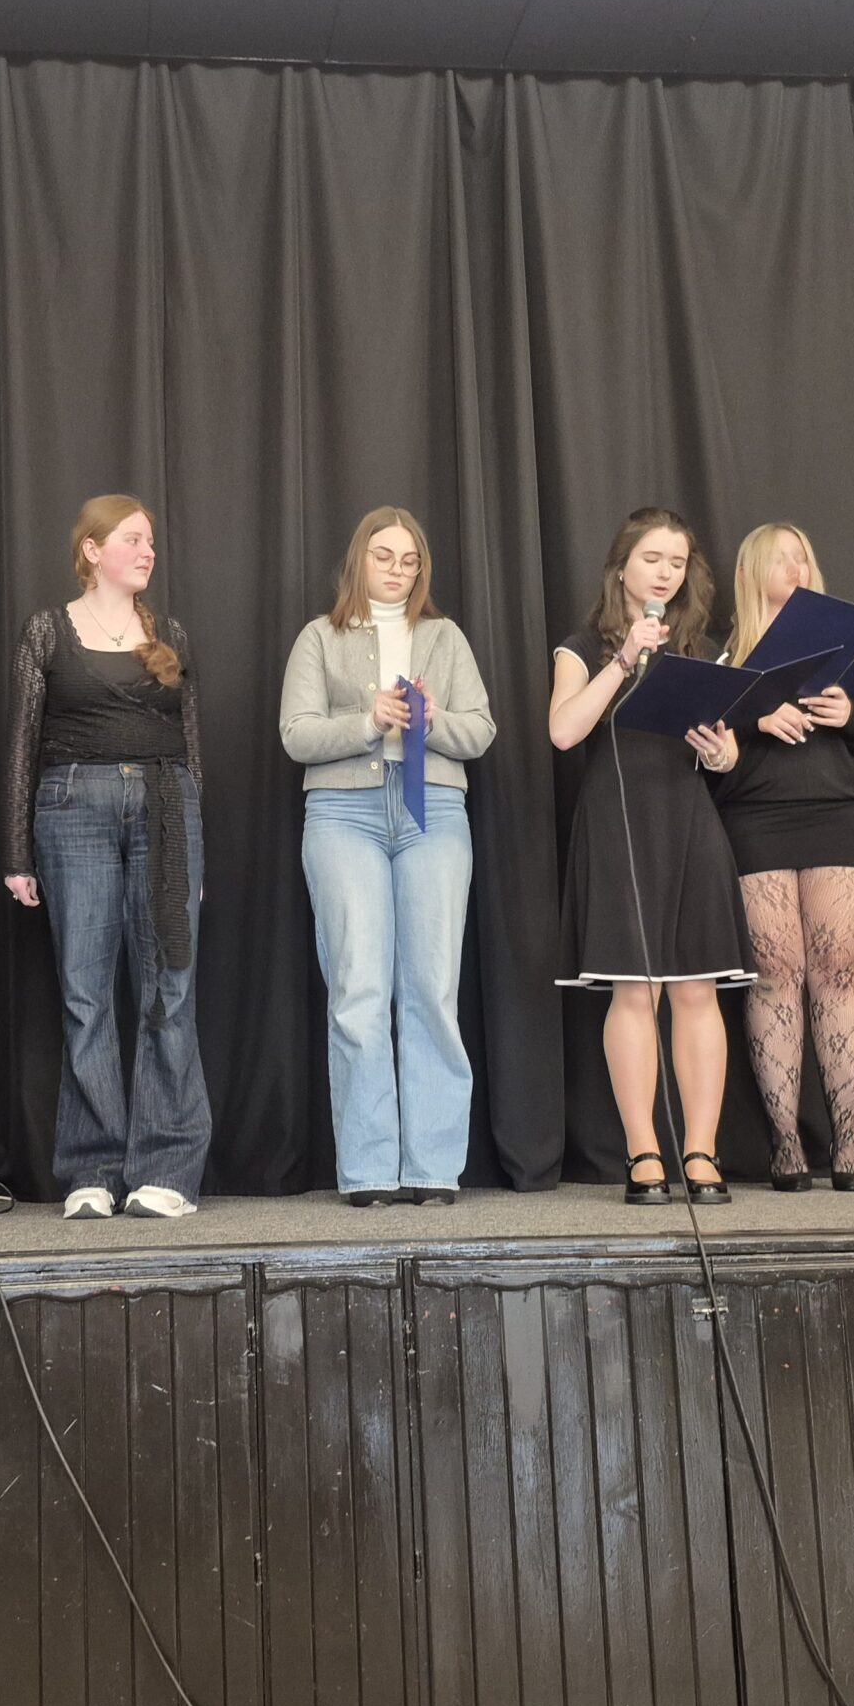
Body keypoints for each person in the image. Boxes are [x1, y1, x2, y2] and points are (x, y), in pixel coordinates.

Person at [279, 507, 497, 1206]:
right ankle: (369, 1171)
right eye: (384, 556)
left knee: (432, 988)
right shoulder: (320, 636)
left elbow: (480, 732)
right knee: (359, 989)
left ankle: (432, 1168)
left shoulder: (445, 636)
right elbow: (296, 735)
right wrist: (367, 720)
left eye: (409, 559)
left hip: (433, 811)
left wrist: (433, 721)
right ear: (359, 560)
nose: (398, 569)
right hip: (344, 814)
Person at [2, 495, 209, 1220]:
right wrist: (16, 851)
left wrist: (196, 840)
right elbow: (23, 741)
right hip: (72, 807)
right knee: (84, 992)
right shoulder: (48, 630)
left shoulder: (170, 633)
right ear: (91, 550)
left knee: (168, 986)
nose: (148, 551)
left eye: (150, 541)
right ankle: (90, 1169)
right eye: (132, 539)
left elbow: (191, 745)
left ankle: (166, 1169)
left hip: (166, 806)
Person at [547, 508, 750, 1205]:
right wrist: (624, 657)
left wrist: (721, 753)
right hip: (618, 823)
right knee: (635, 990)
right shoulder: (582, 647)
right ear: (622, 567)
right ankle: (644, 1154)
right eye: (653, 559)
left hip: (689, 821)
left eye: (678, 562)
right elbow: (564, 731)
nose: (666, 572)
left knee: (696, 989)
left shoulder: (706, 651)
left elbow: (727, 752)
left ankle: (701, 1151)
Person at [714, 523, 854, 1192]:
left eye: (803, 557)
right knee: (774, 973)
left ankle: (849, 1144)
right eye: (781, 559)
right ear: (750, 573)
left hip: (840, 816)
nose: (796, 568)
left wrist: (850, 717)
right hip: (754, 819)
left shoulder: (851, 652)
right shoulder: (724, 659)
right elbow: (701, 757)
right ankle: (786, 1145)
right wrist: (753, 720)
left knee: (839, 968)